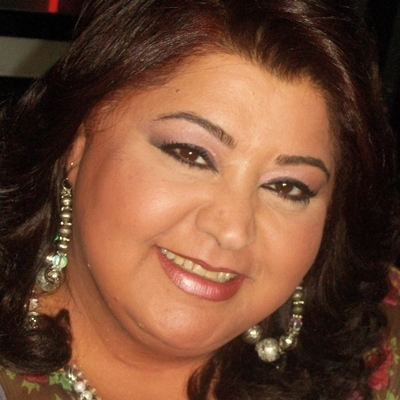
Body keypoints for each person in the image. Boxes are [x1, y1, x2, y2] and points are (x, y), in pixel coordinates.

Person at [0, 0, 398, 399]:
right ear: (79, 141)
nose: (232, 230)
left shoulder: (382, 340)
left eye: (287, 187)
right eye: (190, 154)